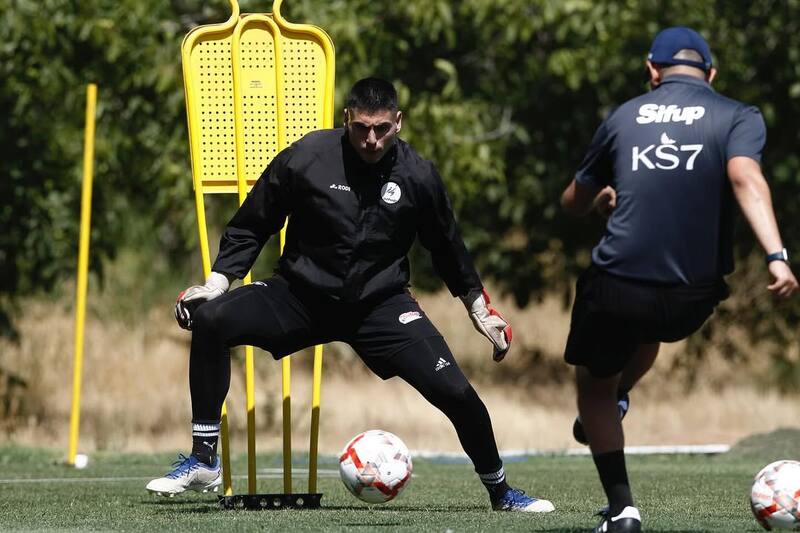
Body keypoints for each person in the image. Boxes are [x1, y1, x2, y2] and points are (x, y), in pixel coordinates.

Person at [146, 77, 554, 513]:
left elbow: (448, 247)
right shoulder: (306, 157)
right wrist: (216, 284)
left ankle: (502, 493)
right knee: (212, 320)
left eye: (382, 128)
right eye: (362, 128)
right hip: (299, 296)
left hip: (380, 306)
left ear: (398, 122)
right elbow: (253, 223)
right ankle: (204, 459)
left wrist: (478, 308)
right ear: (346, 120)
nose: (372, 139)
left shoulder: (418, 175)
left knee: (456, 392)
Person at [560, 27, 798, 533]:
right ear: (711, 74)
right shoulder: (738, 115)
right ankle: (621, 396)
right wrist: (777, 256)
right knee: (648, 328)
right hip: (692, 299)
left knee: (593, 389)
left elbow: (572, 203)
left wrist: (601, 197)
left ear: (652, 71)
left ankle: (623, 509)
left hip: (619, 284)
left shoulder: (623, 116)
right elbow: (745, 179)